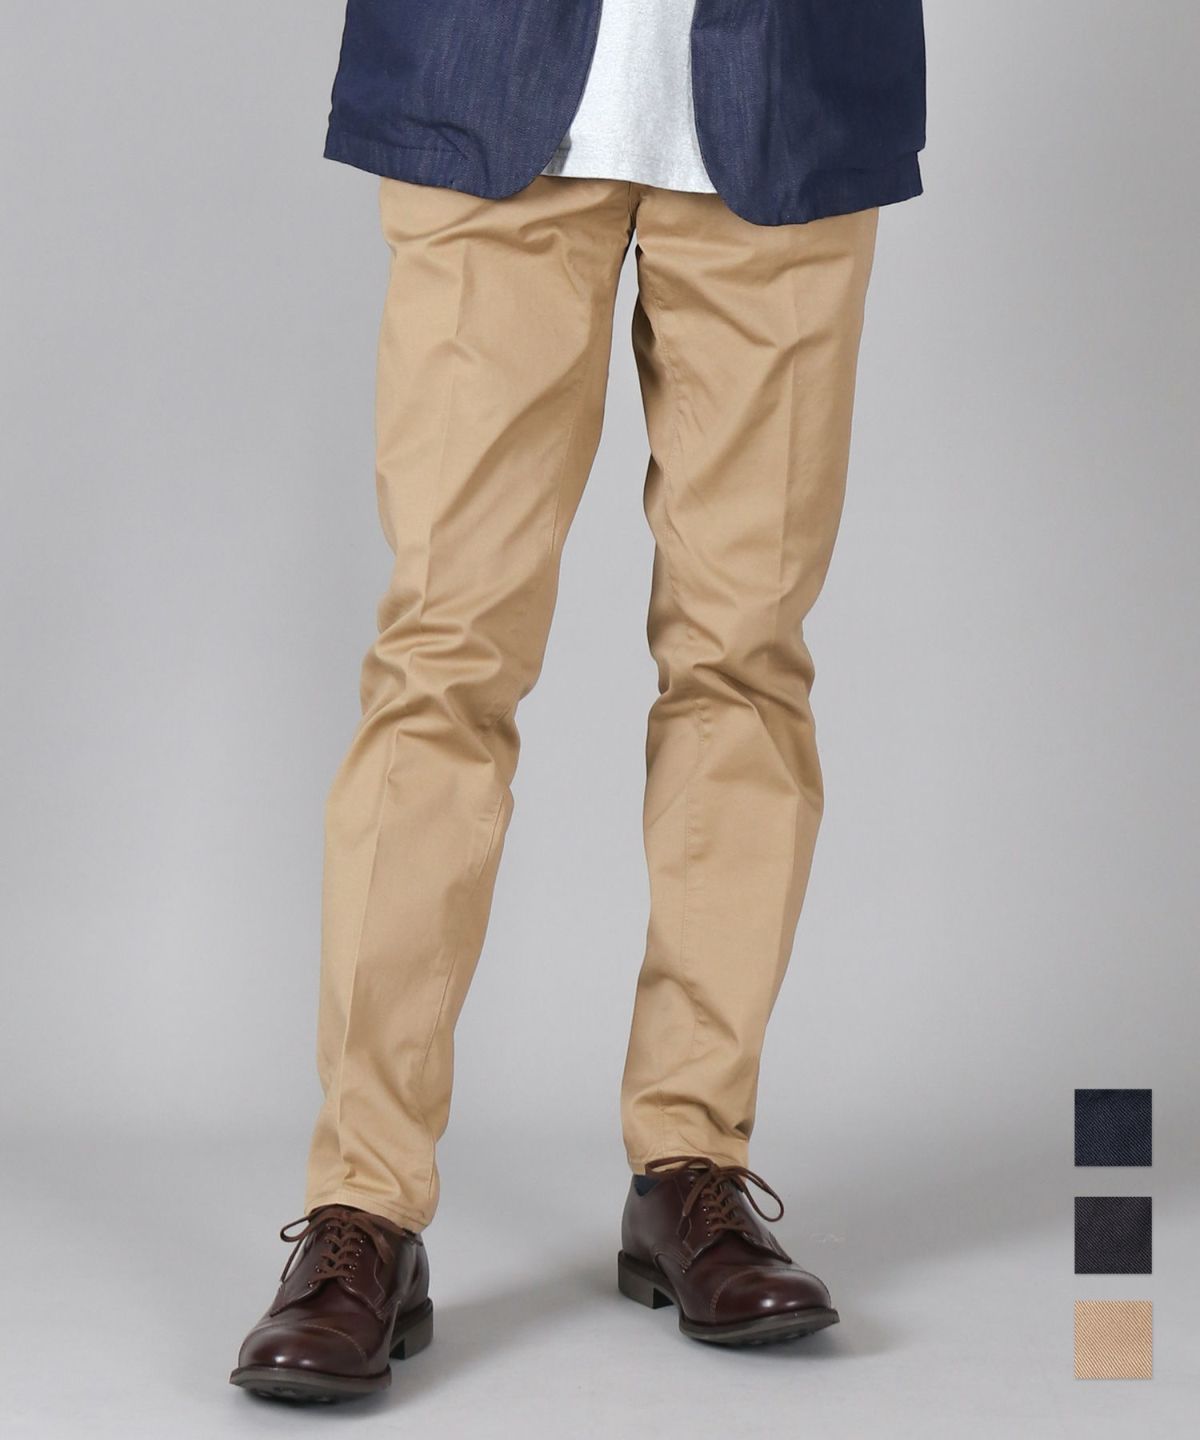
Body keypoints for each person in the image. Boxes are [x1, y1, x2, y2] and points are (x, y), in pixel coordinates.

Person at [231, 0, 926, 1403]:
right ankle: (363, 1208)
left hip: (788, 93)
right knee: (443, 657)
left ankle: (693, 1168)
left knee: (746, 657)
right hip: (484, 83)